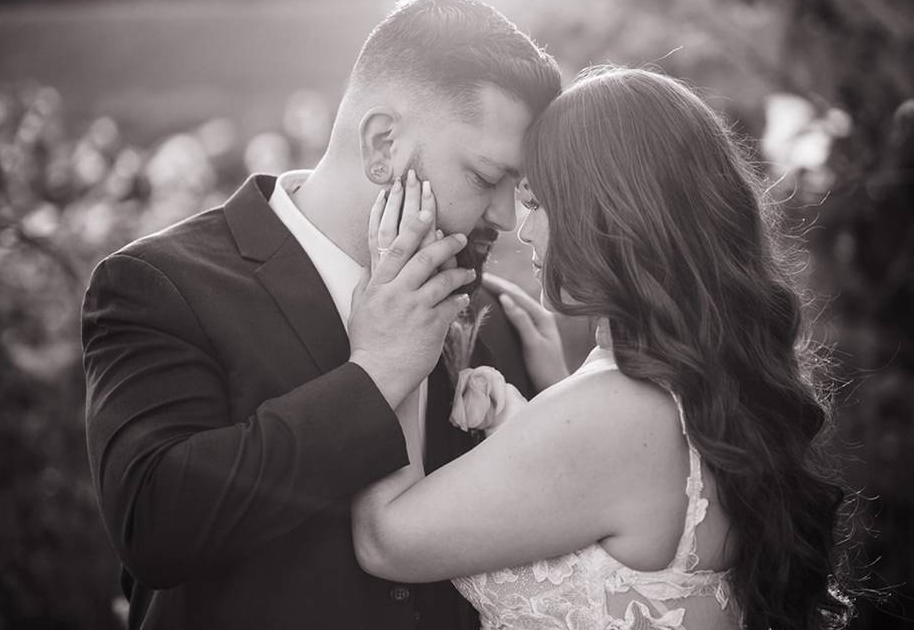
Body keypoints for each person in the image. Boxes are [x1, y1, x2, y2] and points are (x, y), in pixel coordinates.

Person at [81, 0, 561, 629]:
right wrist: (376, 374)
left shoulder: (497, 314)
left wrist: (557, 408)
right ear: (383, 142)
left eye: (516, 187)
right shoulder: (158, 285)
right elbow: (153, 528)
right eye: (482, 178)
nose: (504, 218)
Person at [352, 67, 853, 630]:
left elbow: (383, 542)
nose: (521, 229)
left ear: (609, 213)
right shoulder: (701, 387)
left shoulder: (614, 411)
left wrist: (390, 356)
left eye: (538, 203)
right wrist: (546, 399)